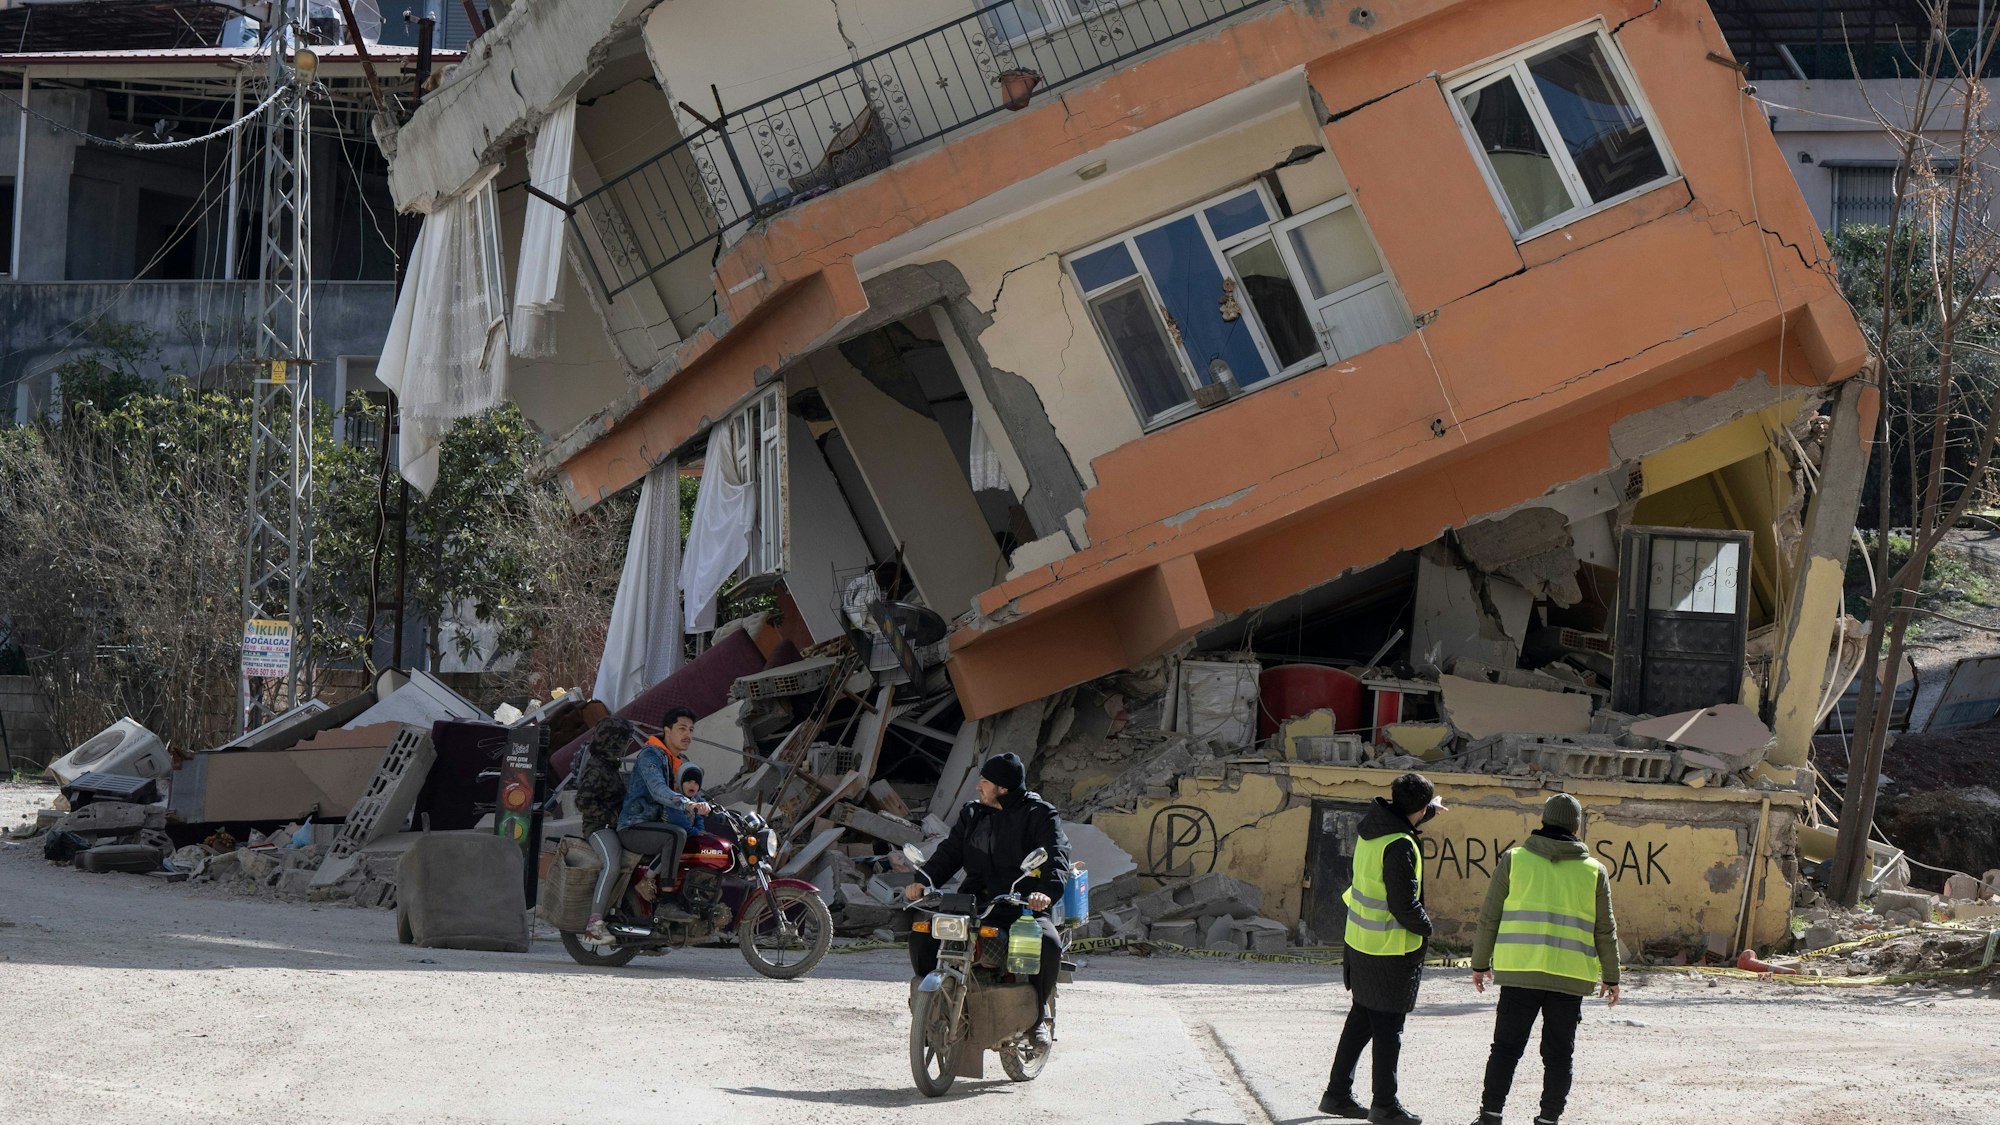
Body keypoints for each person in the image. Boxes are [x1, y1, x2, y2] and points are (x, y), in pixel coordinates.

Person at [1466, 794, 1621, 1125]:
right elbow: (1605, 930)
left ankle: (1490, 1115)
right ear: (1577, 828)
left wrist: (1479, 964)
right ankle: (1548, 1119)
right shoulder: (1595, 871)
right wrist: (1612, 976)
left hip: (1520, 973)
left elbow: (1488, 917)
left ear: (1543, 820)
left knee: (1505, 1049)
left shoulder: (1514, 859)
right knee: (1559, 1055)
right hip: (1569, 979)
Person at [902, 752, 1070, 1047]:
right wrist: (923, 881)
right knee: (924, 933)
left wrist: (1044, 893)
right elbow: (950, 853)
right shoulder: (972, 814)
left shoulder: (1039, 814)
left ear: (1003, 788)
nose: (978, 786)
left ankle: (1038, 1015)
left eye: (985, 781)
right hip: (976, 901)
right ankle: (933, 1005)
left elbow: (1056, 858)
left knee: (1048, 943)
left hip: (1020, 903)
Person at [1322, 772, 1445, 1125]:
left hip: (1360, 943)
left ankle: (1337, 1094)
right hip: (1390, 950)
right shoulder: (1401, 845)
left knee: (1361, 1019)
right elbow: (1404, 905)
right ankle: (1385, 1105)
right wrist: (1426, 929)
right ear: (1419, 807)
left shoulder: (1373, 829)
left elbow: (1405, 817)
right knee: (1389, 1029)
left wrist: (1429, 808)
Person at [583, 707, 711, 943]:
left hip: (655, 826)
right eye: (682, 728)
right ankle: (666, 902)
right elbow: (658, 789)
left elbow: (693, 793)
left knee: (696, 840)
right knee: (676, 835)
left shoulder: (679, 761)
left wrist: (709, 806)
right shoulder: (650, 756)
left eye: (691, 730)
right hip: (634, 825)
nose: (688, 735)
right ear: (667, 730)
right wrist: (685, 804)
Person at [574, 717, 640, 836]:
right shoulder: (597, 768)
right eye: (625, 741)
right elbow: (583, 801)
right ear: (615, 742)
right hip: (599, 829)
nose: (626, 746)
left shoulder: (609, 765)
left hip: (615, 826)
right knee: (613, 855)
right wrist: (612, 819)